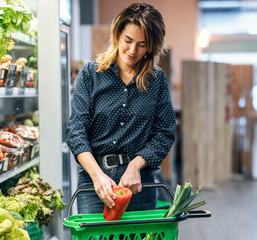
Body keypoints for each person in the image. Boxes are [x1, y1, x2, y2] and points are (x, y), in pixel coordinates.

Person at [66, 2, 176, 214]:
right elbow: (76, 132)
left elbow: (165, 132)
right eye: (128, 40)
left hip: (139, 184)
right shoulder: (91, 74)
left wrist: (135, 165)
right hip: (94, 184)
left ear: (152, 46)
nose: (133, 50)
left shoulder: (157, 80)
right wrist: (98, 177)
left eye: (142, 44)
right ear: (118, 34)